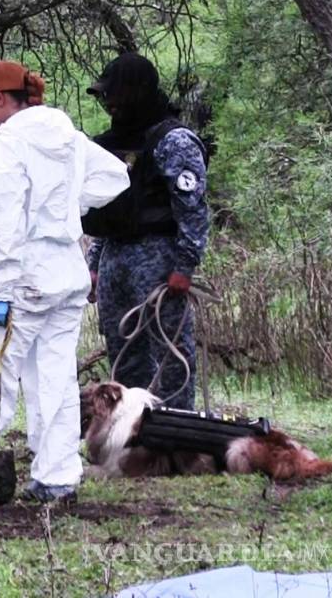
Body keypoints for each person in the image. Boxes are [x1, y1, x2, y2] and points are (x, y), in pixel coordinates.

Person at [0, 60, 130, 505]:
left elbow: (5, 229)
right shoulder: (70, 141)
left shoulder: (6, 149)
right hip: (67, 277)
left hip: (24, 280)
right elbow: (116, 176)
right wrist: (68, 207)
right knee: (53, 378)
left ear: (0, 99)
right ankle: (57, 477)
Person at [83, 53, 210, 410]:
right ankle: (133, 435)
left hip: (159, 257)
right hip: (115, 258)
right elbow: (108, 209)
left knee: (170, 352)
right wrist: (94, 264)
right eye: (105, 97)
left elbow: (194, 210)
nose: (109, 104)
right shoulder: (108, 144)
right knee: (122, 350)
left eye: (115, 96)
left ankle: (175, 433)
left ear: (135, 92)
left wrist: (184, 267)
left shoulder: (175, 141)